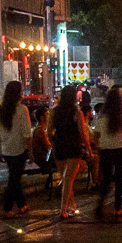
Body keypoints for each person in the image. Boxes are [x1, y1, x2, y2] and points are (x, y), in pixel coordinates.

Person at [50, 84, 92, 219]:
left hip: (59, 145)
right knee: (69, 179)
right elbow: (82, 133)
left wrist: (53, 142)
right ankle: (63, 209)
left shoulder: (54, 112)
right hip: (73, 146)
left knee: (66, 177)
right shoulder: (76, 112)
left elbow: (49, 132)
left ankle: (72, 205)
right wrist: (89, 149)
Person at [0, 80, 32, 219]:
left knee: (15, 176)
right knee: (14, 179)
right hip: (19, 149)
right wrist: (30, 151)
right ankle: (7, 208)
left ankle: (22, 205)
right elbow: (27, 133)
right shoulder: (22, 110)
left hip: (6, 149)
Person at [93, 85, 122, 220]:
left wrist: (98, 148)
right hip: (119, 149)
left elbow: (96, 135)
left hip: (105, 150)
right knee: (119, 179)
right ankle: (118, 208)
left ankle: (100, 205)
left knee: (106, 179)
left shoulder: (101, 117)